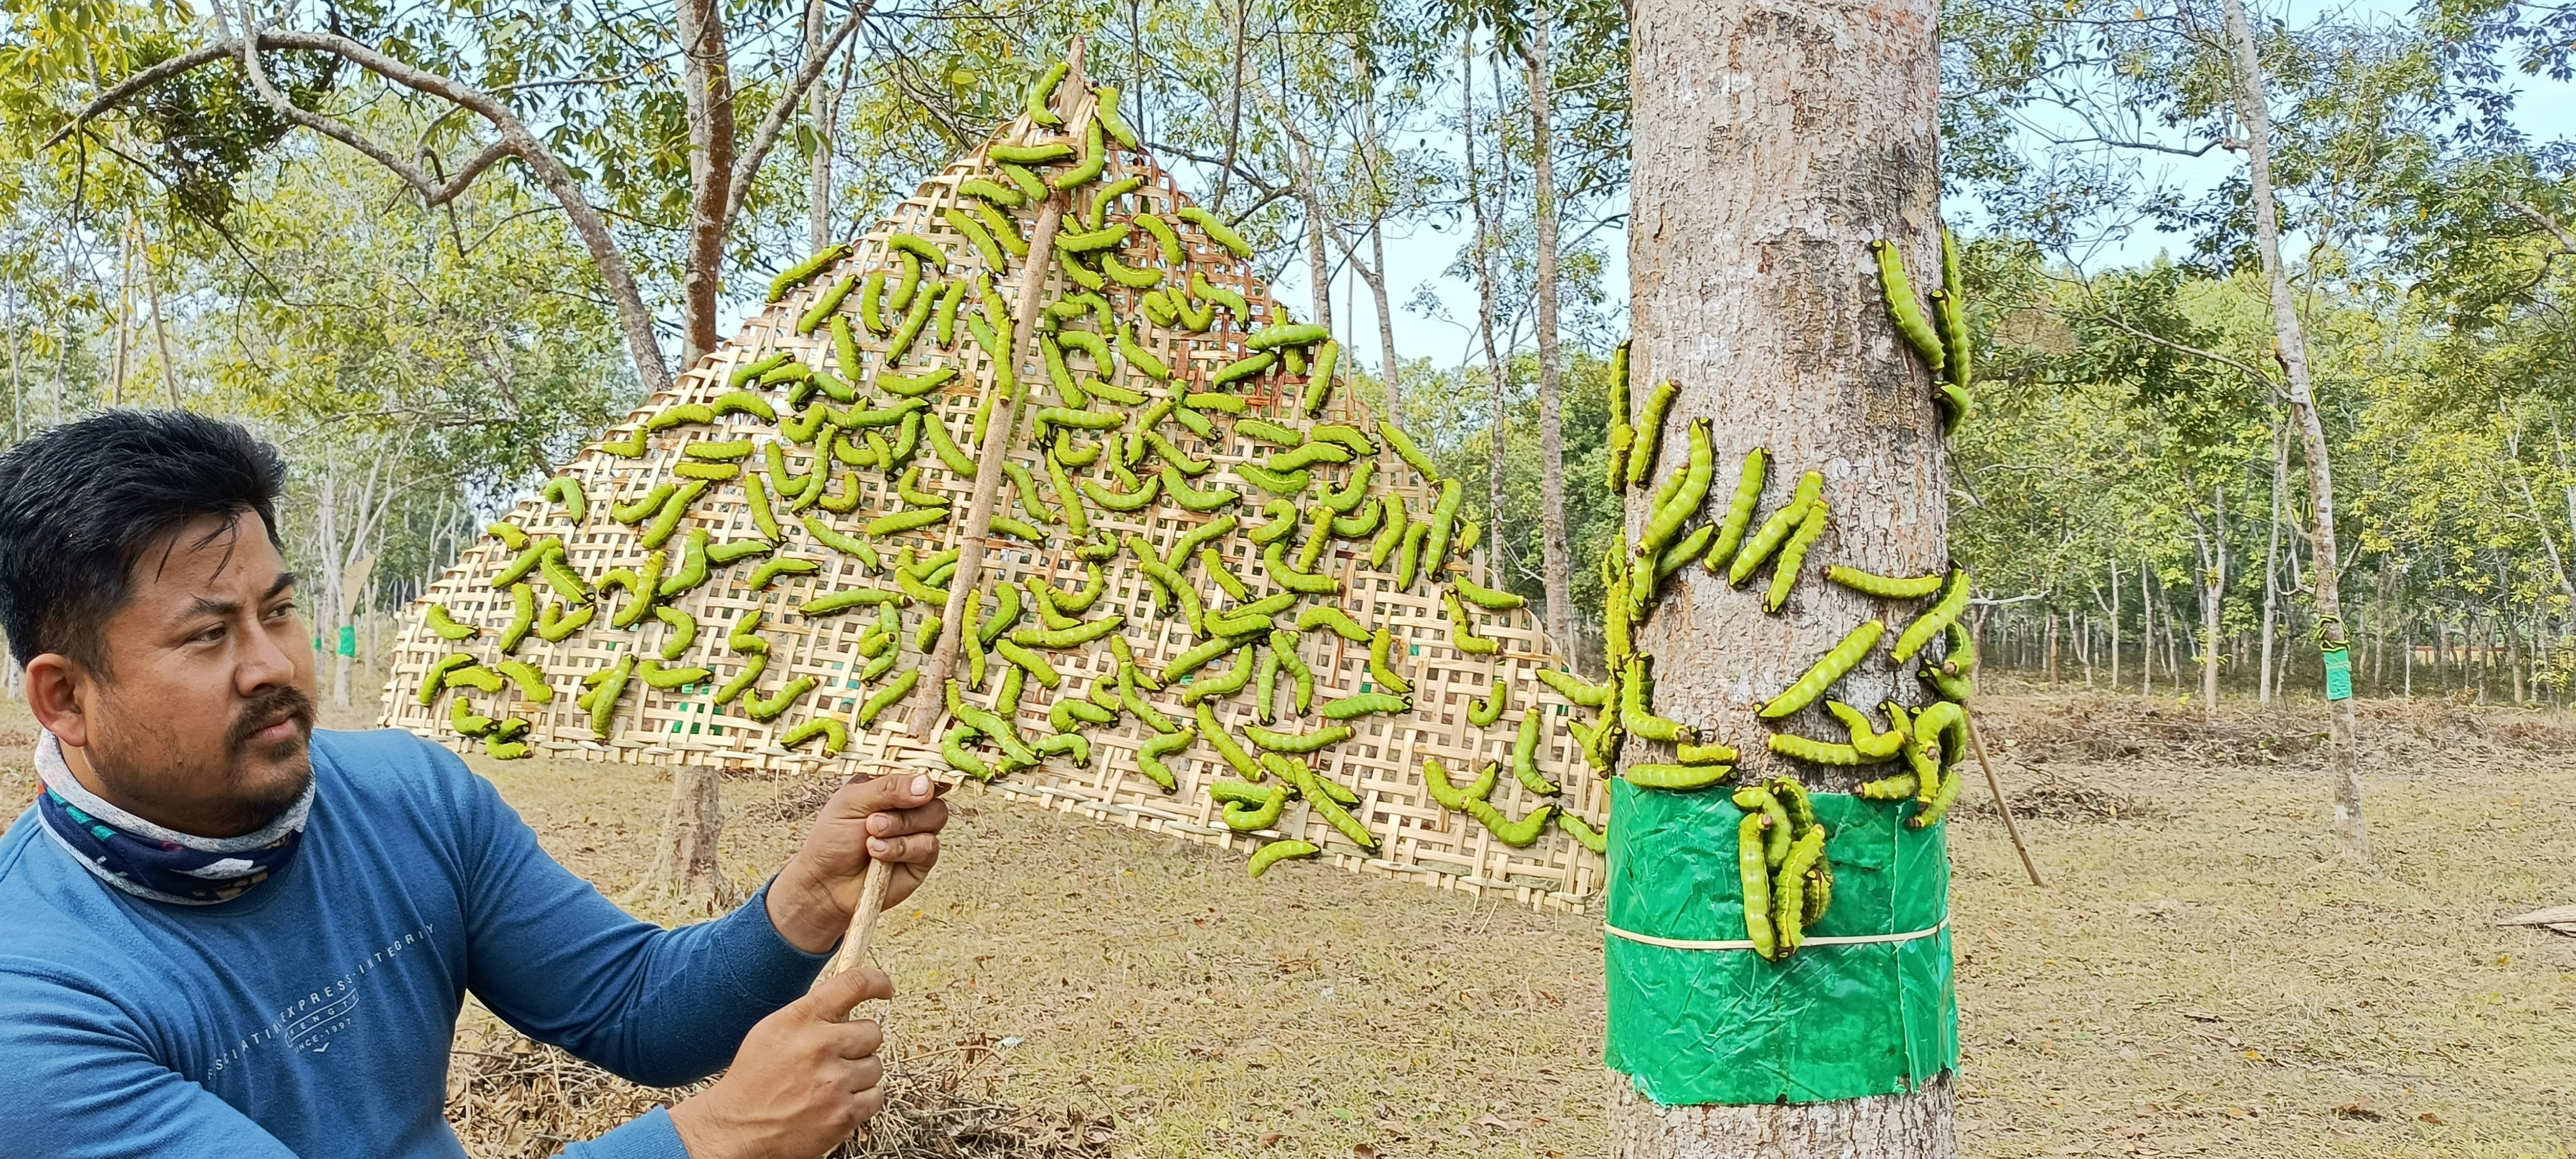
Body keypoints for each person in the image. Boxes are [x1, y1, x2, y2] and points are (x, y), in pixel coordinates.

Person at [0, 410, 947, 1158]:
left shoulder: (407, 799)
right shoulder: (33, 1011)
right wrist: (716, 1134)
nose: (271, 666)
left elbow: (632, 1008)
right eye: (208, 635)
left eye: (279, 611)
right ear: (65, 697)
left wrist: (808, 900)